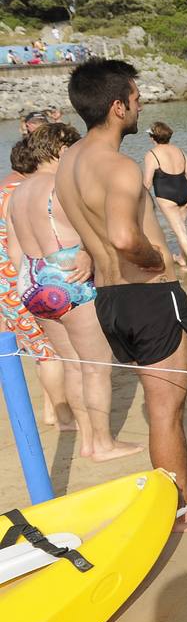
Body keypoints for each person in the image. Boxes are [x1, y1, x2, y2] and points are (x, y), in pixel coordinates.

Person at [56, 60, 187, 531]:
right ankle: (182, 512)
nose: (140, 106)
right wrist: (155, 258)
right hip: (149, 295)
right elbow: (120, 236)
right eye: (135, 99)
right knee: (167, 410)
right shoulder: (117, 166)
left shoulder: (69, 162)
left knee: (164, 405)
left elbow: (92, 233)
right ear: (117, 107)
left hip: (111, 300)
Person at [7, 123, 143, 464]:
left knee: (71, 364)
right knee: (96, 366)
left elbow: (13, 252)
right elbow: (95, 231)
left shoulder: (17, 193)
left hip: (32, 278)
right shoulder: (60, 186)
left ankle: (86, 439)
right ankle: (102, 444)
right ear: (60, 150)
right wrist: (85, 254)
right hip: (66, 274)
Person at [0, 137, 72, 430]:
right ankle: (63, 416)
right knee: (50, 353)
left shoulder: (4, 190)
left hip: (6, 285)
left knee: (43, 352)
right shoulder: (21, 193)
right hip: (18, 281)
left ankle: (52, 411)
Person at [143, 122, 187, 271]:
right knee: (183, 229)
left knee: (180, 231)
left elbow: (147, 182)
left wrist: (139, 200)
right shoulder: (179, 151)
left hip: (167, 196)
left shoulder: (152, 154)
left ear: (153, 137)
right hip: (185, 192)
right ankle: (181, 258)